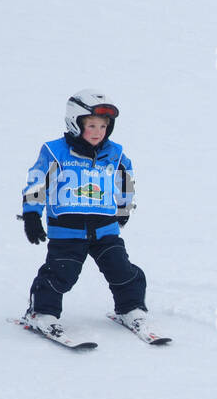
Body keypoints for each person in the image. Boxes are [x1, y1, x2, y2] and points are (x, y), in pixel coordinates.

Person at [20, 89, 152, 338]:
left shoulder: (115, 154)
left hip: (105, 229)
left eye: (103, 126)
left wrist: (124, 208)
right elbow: (37, 181)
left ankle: (131, 308)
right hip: (67, 231)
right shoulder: (55, 152)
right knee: (61, 274)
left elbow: (126, 180)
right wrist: (31, 215)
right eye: (91, 125)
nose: (98, 132)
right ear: (75, 122)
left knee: (121, 270)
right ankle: (41, 312)